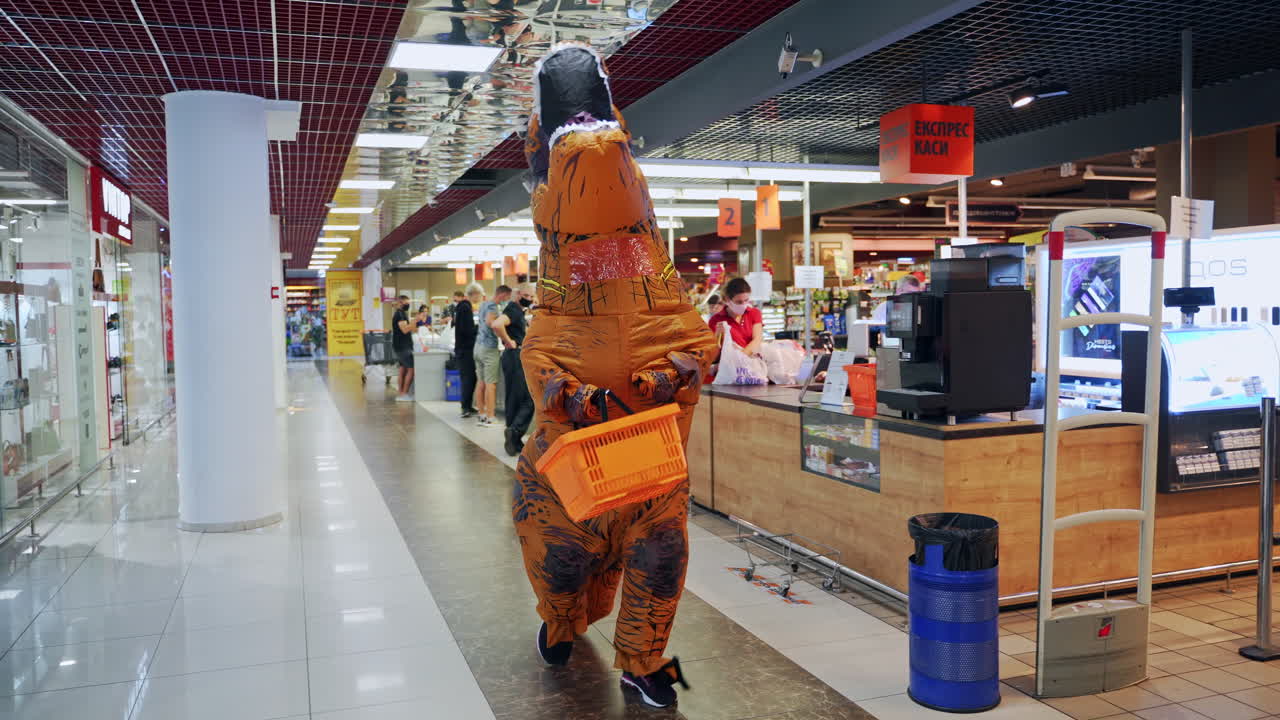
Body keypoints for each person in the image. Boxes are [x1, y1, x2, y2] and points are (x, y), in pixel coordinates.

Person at [492, 282, 535, 456]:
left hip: (511, 357)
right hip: (515, 357)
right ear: (518, 295)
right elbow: (496, 325)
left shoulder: (517, 311)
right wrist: (509, 341)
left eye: (531, 297)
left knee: (514, 399)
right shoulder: (513, 310)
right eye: (526, 296)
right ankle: (515, 430)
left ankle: (514, 440)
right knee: (528, 400)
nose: (529, 299)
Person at [474, 284, 511, 427]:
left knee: (481, 382)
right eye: (507, 297)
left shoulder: (483, 304)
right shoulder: (493, 307)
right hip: (489, 349)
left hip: (478, 347)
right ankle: (490, 417)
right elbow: (491, 323)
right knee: (491, 384)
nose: (507, 300)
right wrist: (505, 337)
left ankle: (481, 414)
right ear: (502, 295)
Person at [707, 277, 763, 357]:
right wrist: (718, 335)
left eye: (746, 300)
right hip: (729, 362)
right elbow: (713, 353)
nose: (743, 305)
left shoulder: (754, 313)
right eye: (739, 302)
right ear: (727, 299)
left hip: (751, 360)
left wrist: (742, 357)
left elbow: (757, 339)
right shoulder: (715, 320)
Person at [455, 285, 481, 418]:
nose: (480, 298)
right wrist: (479, 329)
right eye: (479, 295)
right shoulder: (465, 307)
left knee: (470, 378)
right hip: (465, 349)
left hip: (463, 348)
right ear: (474, 294)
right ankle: (465, 407)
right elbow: (467, 329)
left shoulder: (463, 306)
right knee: (468, 378)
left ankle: (468, 405)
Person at [391, 295, 415, 402]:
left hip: (402, 345)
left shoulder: (401, 313)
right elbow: (405, 330)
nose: (408, 305)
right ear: (400, 302)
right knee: (411, 369)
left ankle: (401, 393)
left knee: (403, 369)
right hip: (402, 346)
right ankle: (404, 393)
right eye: (407, 303)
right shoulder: (400, 314)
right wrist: (415, 321)